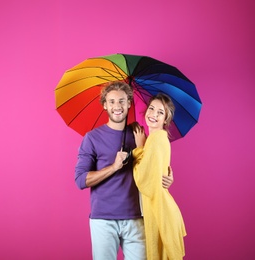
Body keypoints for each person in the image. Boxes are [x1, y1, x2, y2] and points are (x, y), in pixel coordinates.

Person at [74, 81, 174, 260]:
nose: (117, 106)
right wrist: (113, 167)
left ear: (129, 103)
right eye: (111, 102)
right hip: (103, 220)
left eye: (121, 101)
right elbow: (81, 180)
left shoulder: (139, 134)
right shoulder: (92, 138)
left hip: (136, 218)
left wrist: (166, 177)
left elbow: (151, 168)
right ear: (105, 105)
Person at [131, 93, 187, 260]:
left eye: (160, 112)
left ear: (165, 120)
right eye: (151, 108)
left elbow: (143, 181)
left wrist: (138, 148)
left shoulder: (156, 139)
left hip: (159, 211)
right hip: (160, 209)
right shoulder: (155, 139)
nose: (153, 114)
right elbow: (159, 174)